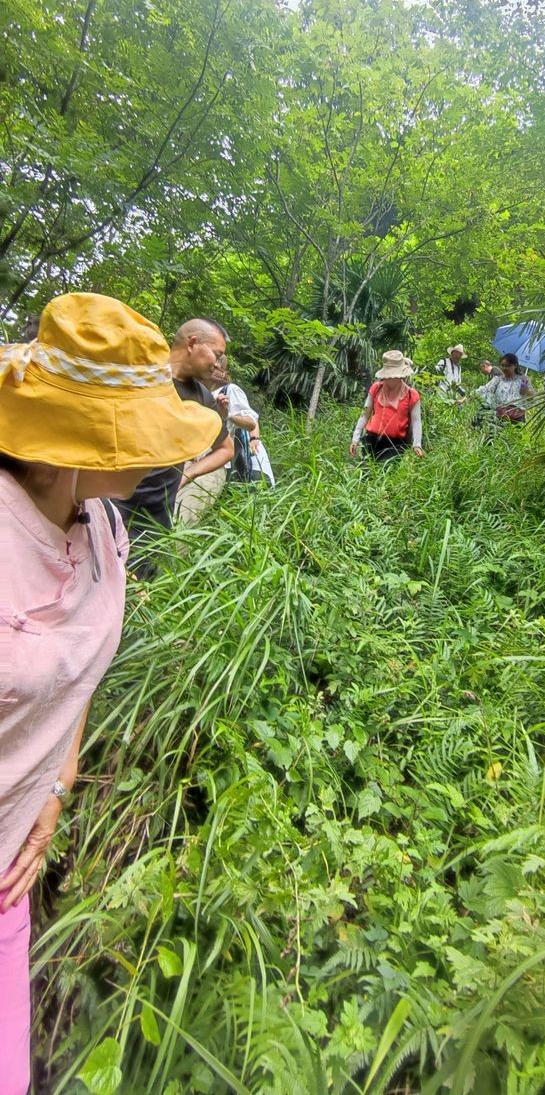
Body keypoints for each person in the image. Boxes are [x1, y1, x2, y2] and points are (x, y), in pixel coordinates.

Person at [0, 292, 220, 1095]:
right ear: (75, 445)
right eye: (139, 435)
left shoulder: (102, 523)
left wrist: (56, 789)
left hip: (14, 856)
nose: (159, 453)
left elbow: (82, 665)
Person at [113, 318, 234, 561]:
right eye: (216, 354)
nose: (217, 364)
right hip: (109, 499)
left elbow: (226, 449)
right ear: (192, 343)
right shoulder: (141, 372)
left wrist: (186, 477)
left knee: (139, 589)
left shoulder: (202, 397)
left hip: (155, 516)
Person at [209, 355, 275, 487]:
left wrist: (254, 438)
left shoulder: (229, 390)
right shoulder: (200, 391)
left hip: (225, 460)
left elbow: (251, 421)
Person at [349, 350, 424, 462]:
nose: (391, 378)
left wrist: (417, 444)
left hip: (395, 445)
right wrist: (355, 439)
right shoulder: (376, 388)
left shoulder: (411, 395)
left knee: (386, 473)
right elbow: (364, 415)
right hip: (371, 440)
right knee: (365, 474)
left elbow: (416, 422)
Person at [486, 352, 535, 423]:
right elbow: (485, 392)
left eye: (508, 366)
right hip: (500, 417)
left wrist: (526, 390)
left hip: (517, 418)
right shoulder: (497, 380)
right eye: (502, 365)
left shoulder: (522, 380)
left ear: (515, 366)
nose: (505, 368)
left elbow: (532, 398)